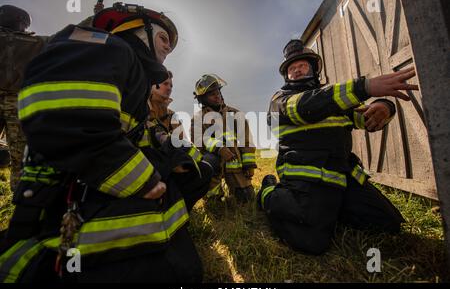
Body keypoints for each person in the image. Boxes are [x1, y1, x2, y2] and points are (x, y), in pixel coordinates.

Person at [0, 2, 204, 283]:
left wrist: (172, 153)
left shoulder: (127, 69)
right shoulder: (112, 48)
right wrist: (144, 181)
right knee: (179, 271)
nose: (168, 49)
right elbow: (73, 123)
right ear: (137, 28)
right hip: (68, 206)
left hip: (77, 195)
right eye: (164, 38)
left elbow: (130, 133)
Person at [257, 39, 417, 255]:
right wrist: (365, 87)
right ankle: (268, 191)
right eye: (291, 69)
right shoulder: (280, 100)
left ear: (314, 69)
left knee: (388, 223)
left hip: (342, 178)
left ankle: (332, 210)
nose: (296, 71)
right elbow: (306, 107)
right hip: (306, 182)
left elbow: (364, 118)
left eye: (301, 65)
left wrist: (384, 107)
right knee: (311, 242)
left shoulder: (337, 98)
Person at [147, 71, 217, 211]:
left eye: (171, 85)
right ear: (152, 85)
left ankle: (182, 209)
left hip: (172, 167)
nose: (169, 88)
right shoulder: (139, 109)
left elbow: (183, 145)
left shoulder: (172, 116)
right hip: (148, 167)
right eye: (165, 83)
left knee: (205, 168)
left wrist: (186, 162)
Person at [0, 5, 47, 190]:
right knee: (20, 159)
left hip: (18, 103)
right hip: (18, 104)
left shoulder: (35, 42)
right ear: (20, 22)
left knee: (20, 157)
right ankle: (21, 202)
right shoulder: (35, 43)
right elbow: (66, 35)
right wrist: (96, 16)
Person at [191, 74, 257, 202]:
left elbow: (246, 140)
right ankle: (213, 197)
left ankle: (238, 189)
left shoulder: (235, 114)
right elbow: (198, 140)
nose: (217, 96)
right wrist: (219, 148)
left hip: (234, 163)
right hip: (214, 162)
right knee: (214, 202)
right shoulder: (198, 119)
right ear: (203, 99)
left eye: (218, 92)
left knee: (247, 199)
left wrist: (249, 164)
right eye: (212, 94)